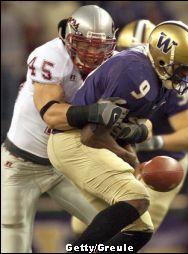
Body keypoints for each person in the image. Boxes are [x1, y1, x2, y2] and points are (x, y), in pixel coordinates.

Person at [47, 20, 188, 251]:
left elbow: (119, 129)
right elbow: (91, 134)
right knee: (136, 199)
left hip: (92, 143)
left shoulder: (157, 80)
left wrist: (133, 153)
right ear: (162, 58)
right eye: (181, 67)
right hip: (76, 142)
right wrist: (128, 157)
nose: (185, 74)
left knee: (140, 228)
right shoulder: (134, 74)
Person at [1, 5, 127, 253]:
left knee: (113, 228)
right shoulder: (50, 56)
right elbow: (52, 115)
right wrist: (94, 113)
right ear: (69, 38)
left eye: (99, 46)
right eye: (85, 44)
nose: (93, 53)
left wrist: (130, 131)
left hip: (67, 162)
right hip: (20, 163)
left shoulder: (115, 63)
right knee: (12, 236)